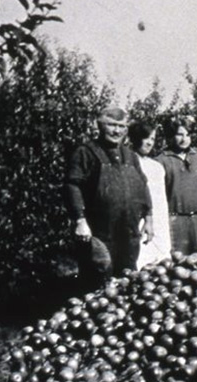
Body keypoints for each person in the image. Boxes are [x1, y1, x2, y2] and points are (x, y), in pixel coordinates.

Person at [65, 106, 153, 280]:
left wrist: (149, 218)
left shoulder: (130, 156)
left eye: (121, 126)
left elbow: (143, 186)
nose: (116, 130)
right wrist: (79, 220)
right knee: (97, 278)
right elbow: (72, 185)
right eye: (112, 125)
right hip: (99, 231)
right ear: (100, 125)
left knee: (127, 278)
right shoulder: (86, 152)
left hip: (128, 231)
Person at [156, 117, 197, 255]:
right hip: (175, 220)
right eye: (180, 134)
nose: (184, 139)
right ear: (171, 136)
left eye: (188, 135)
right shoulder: (161, 160)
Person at [129, 122, 171, 268]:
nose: (149, 143)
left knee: (161, 261)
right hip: (140, 218)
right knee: (140, 259)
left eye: (152, 139)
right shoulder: (128, 163)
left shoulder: (157, 166)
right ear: (135, 139)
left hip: (159, 218)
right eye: (145, 138)